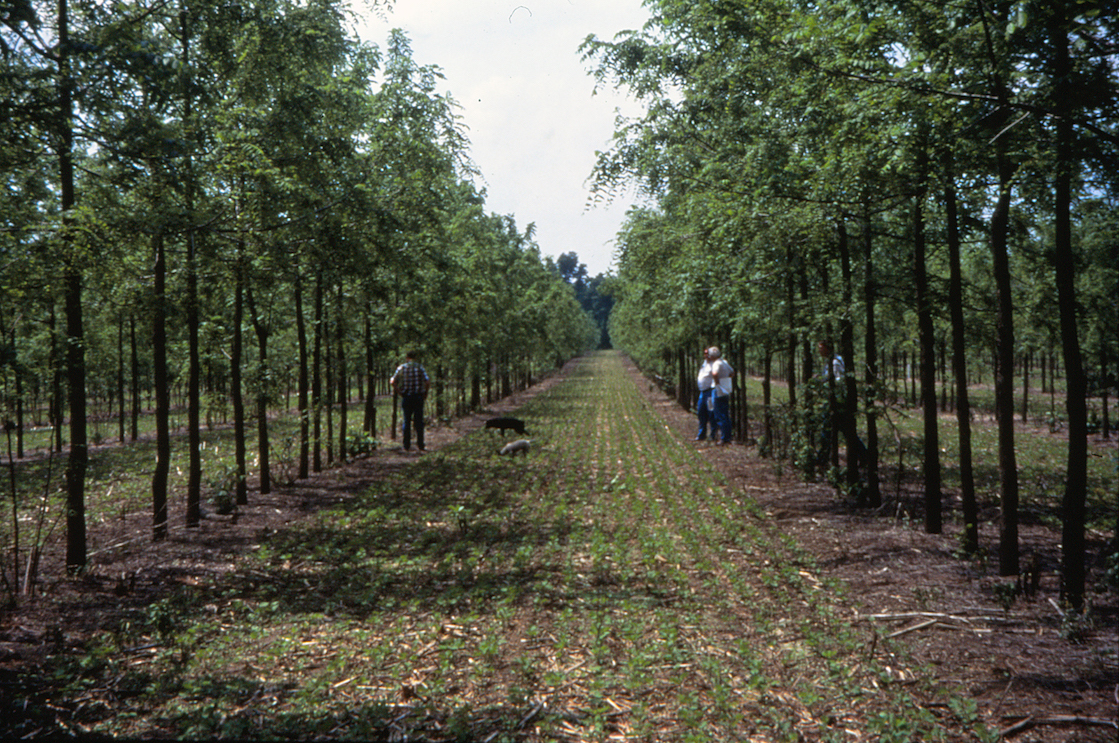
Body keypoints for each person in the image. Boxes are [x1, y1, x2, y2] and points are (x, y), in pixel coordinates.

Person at [390, 350, 430, 451]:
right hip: (418, 397)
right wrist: (425, 393)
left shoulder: (401, 368)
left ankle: (406, 445)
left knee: (406, 420)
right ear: (415, 358)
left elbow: (392, 381)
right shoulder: (420, 367)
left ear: (407, 358)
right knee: (419, 421)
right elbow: (427, 381)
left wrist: (399, 391)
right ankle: (420, 444)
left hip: (407, 397)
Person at [696, 346, 735, 444]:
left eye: (707, 353)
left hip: (712, 391)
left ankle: (716, 436)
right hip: (703, 391)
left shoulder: (716, 363)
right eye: (705, 353)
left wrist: (719, 384)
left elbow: (716, 374)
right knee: (702, 413)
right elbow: (731, 372)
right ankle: (703, 434)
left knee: (715, 413)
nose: (706, 355)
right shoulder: (706, 363)